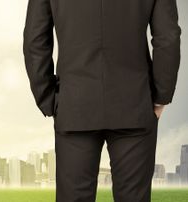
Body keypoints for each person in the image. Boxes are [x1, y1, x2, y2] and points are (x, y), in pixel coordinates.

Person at [23, 0, 181, 201]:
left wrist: (49, 99)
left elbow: (34, 40)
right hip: (134, 103)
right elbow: (168, 38)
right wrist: (160, 97)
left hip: (75, 105)